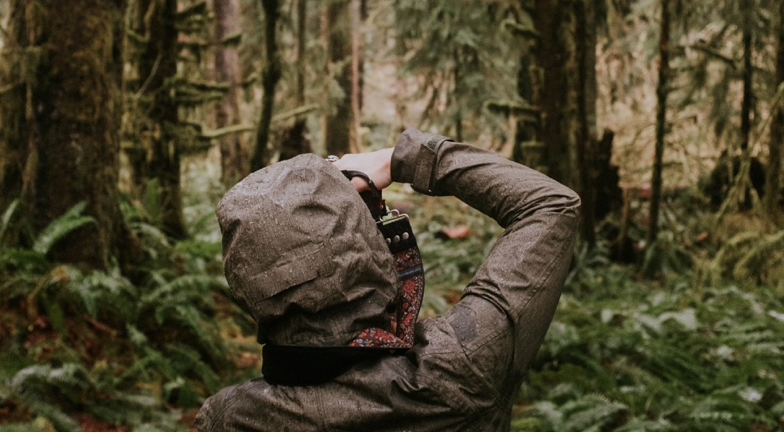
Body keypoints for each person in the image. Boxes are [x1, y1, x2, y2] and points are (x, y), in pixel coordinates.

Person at [195, 128, 580, 431]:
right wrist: (402, 159)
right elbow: (550, 205)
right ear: (368, 247)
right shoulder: (459, 370)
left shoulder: (229, 419)